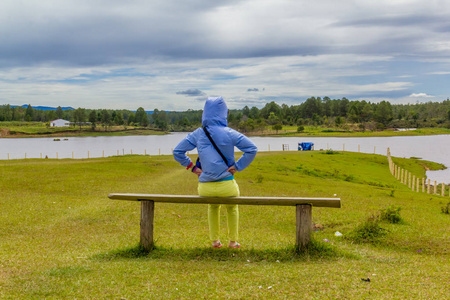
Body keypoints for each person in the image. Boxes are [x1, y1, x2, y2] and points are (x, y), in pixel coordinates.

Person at [173, 96, 258, 249]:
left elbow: (178, 151)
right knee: (232, 208)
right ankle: (233, 242)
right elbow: (252, 149)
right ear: (224, 113)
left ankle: (215, 241)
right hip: (227, 186)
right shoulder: (230, 132)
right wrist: (238, 166)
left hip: (205, 187)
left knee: (213, 207)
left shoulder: (198, 134)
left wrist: (193, 168)